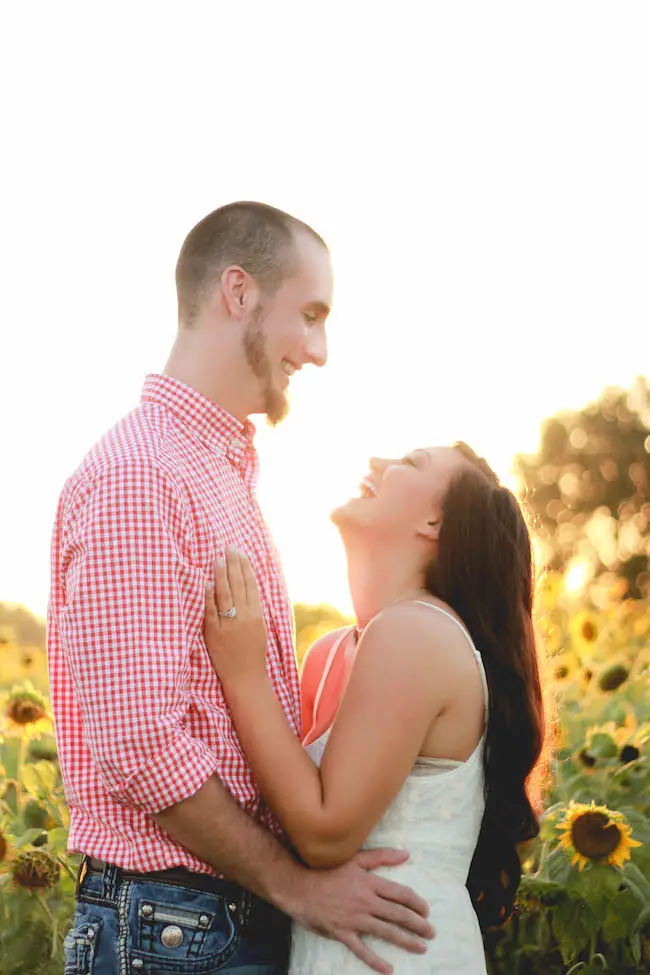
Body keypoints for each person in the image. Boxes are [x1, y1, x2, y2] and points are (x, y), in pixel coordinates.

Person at [48, 202, 434, 975]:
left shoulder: (213, 469)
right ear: (239, 292)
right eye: (311, 314)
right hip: (170, 926)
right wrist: (295, 883)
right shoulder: (142, 475)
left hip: (198, 923)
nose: (319, 351)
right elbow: (140, 746)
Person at [204, 442, 547, 974]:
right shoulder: (335, 650)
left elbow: (323, 834)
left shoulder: (418, 631)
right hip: (332, 949)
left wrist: (244, 675)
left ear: (435, 521)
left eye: (408, 463)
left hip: (399, 956)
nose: (376, 464)